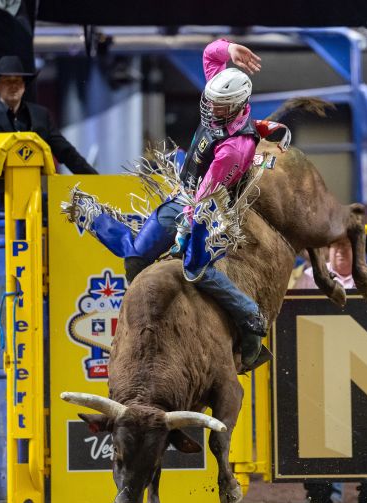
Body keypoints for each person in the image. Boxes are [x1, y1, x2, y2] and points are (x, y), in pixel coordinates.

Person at [64, 38, 278, 372]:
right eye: (211, 100)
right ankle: (92, 216)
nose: (209, 107)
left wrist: (184, 228)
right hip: (185, 194)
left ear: (236, 107)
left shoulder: (235, 148)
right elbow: (210, 54)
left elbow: (207, 195)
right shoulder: (219, 101)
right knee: (137, 252)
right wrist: (229, 49)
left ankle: (251, 318)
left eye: (219, 106)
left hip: (212, 210)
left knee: (195, 268)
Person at [293, 235, 367, 503]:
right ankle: (321, 499)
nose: (341, 251)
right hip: (318, 370)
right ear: (327, 249)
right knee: (317, 437)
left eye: (347, 245)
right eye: (336, 245)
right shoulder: (309, 277)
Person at [0, 55, 96, 174]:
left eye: (18, 81)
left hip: (35, 192)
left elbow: (66, 152)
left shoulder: (40, 115)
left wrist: (96, 179)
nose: (14, 85)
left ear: (24, 86)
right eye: (7, 81)